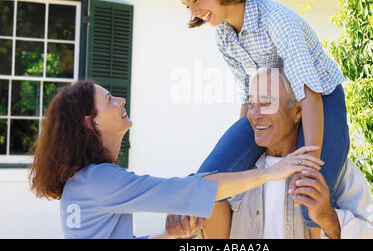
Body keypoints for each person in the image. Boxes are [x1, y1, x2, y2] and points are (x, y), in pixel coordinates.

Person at [171, 0, 350, 237]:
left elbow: (310, 95)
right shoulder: (224, 36)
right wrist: (246, 139)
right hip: (270, 107)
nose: (194, 11)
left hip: (320, 101)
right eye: (186, 6)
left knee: (309, 195)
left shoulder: (276, 21)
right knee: (203, 184)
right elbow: (247, 96)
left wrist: (309, 162)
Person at [28, 80, 319, 239]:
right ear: (92, 124)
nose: (121, 101)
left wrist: (170, 235)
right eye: (109, 100)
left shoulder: (82, 184)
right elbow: (191, 190)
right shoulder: (100, 181)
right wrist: (275, 171)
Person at [166, 65, 373, 239]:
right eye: (251, 103)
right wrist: (181, 228)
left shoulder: (338, 170)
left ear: (298, 111)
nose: (255, 114)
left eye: (267, 103)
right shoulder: (232, 173)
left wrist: (328, 217)